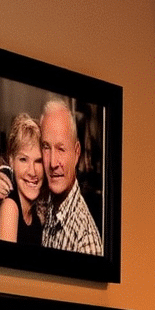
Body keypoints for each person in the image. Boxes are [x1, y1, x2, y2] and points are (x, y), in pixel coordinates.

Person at [39, 100, 102, 255]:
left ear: (77, 153)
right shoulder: (48, 204)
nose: (53, 162)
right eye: (46, 147)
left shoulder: (85, 242)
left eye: (61, 149)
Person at [0, 113, 46, 245]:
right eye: (23, 160)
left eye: (38, 161)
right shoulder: (10, 207)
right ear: (11, 161)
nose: (32, 171)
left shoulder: (35, 217)